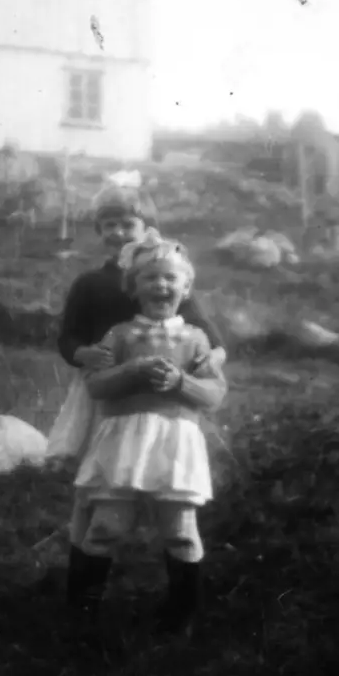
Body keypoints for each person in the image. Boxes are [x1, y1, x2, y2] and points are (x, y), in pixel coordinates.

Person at [45, 185, 226, 593]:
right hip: (107, 386)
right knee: (96, 490)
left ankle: (168, 586)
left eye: (128, 223)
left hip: (165, 395)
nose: (118, 232)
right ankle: (80, 581)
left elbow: (209, 338)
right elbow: (68, 337)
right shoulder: (92, 282)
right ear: (99, 230)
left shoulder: (166, 272)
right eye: (109, 224)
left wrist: (206, 366)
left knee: (163, 486)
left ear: (147, 227)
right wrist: (83, 354)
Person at [67, 236, 227, 639]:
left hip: (176, 443)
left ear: (186, 288)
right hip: (123, 442)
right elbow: (96, 385)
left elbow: (214, 393)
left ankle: (180, 617)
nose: (161, 286)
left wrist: (181, 382)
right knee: (105, 526)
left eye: (170, 278)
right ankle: (82, 614)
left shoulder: (195, 340)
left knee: (179, 530)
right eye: (150, 278)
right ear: (134, 288)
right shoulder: (119, 335)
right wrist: (131, 371)